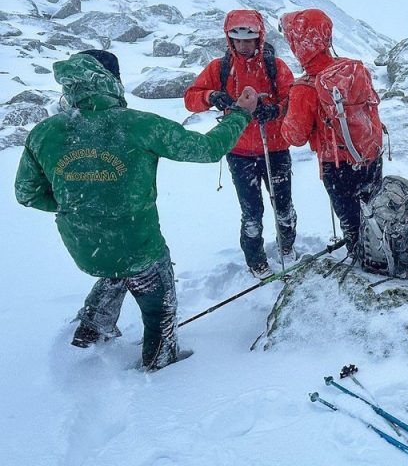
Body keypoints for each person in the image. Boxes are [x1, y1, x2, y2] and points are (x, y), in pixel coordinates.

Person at [15, 50, 257, 371]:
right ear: (112, 81)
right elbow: (208, 149)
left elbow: (26, 194)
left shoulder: (44, 133)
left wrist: (80, 205)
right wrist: (240, 113)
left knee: (114, 267)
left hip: (85, 247)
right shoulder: (140, 125)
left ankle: (91, 329)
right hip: (139, 246)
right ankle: (160, 362)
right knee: (158, 307)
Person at [184, 10, 297, 279]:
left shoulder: (276, 67)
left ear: (259, 39)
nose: (244, 46)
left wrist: (275, 110)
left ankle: (287, 245)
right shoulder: (218, 68)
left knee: (283, 205)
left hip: (275, 147)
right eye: (238, 40)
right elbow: (191, 98)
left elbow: (293, 97)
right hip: (239, 151)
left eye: (249, 40)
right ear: (229, 39)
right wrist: (212, 96)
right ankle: (256, 260)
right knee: (251, 212)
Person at [279, 9, 384, 255]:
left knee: (351, 222)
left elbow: (294, 137)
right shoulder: (351, 69)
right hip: (369, 155)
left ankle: (363, 260)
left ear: (299, 43)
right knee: (373, 213)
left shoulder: (305, 87)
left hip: (337, 165)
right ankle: (382, 251)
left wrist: (285, 111)